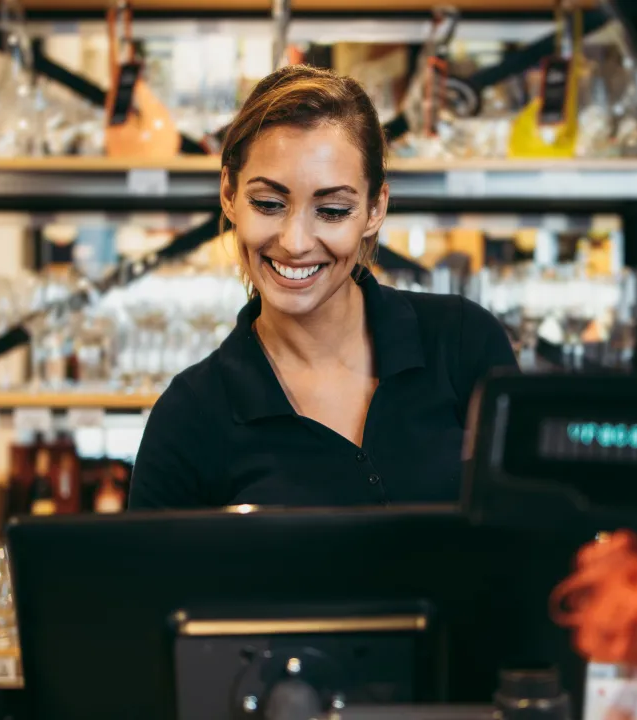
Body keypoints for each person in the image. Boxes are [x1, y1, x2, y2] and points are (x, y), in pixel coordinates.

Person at [127, 65, 517, 510]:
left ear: (375, 209)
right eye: (269, 204)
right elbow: (151, 580)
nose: (295, 243)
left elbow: (536, 536)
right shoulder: (189, 416)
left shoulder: (462, 341)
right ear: (229, 196)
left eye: (332, 210)